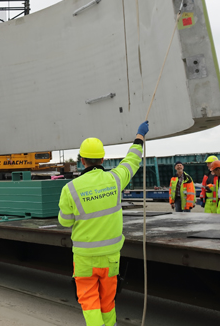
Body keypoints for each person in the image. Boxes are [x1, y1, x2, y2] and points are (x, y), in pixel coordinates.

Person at [58, 121, 148, 326]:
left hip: (84, 259)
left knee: (89, 302)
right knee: (108, 302)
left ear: (82, 161)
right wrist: (139, 137)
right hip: (110, 258)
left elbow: (64, 221)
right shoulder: (115, 180)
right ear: (103, 159)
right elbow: (132, 161)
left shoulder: (70, 189)